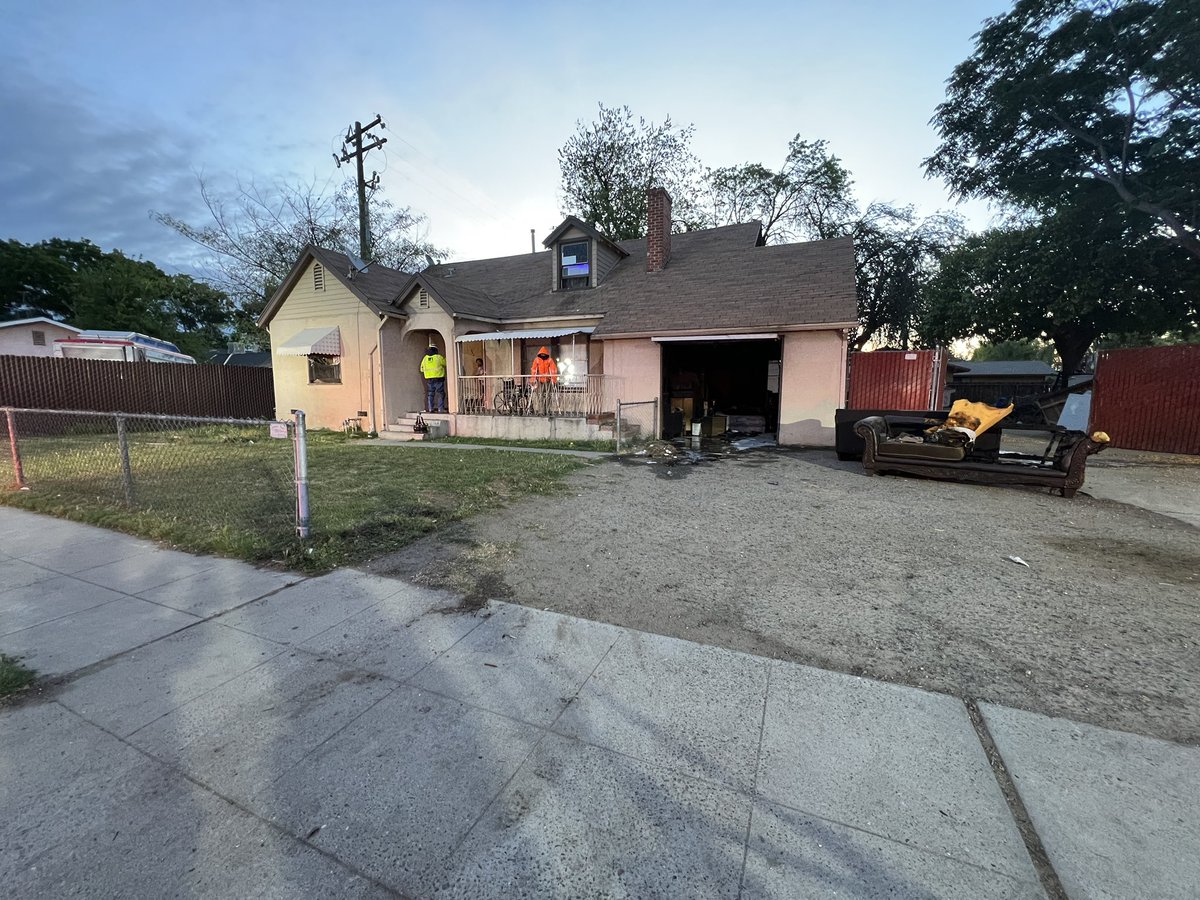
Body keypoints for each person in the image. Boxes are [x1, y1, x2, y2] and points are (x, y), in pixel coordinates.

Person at [530, 345, 558, 414]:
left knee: (548, 396)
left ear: (546, 354)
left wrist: (553, 379)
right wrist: (533, 379)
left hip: (548, 380)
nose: (542, 355)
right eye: (541, 354)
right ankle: (541, 411)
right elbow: (534, 370)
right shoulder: (537, 360)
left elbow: (553, 369)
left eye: (544, 354)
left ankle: (547, 410)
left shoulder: (549, 360)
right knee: (540, 396)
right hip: (540, 380)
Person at [420, 344, 447, 413]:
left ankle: (430, 409)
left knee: (430, 394)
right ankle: (440, 409)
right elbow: (445, 363)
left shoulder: (425, 359)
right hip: (439, 379)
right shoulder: (438, 357)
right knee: (440, 393)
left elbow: (421, 369)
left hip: (429, 380)